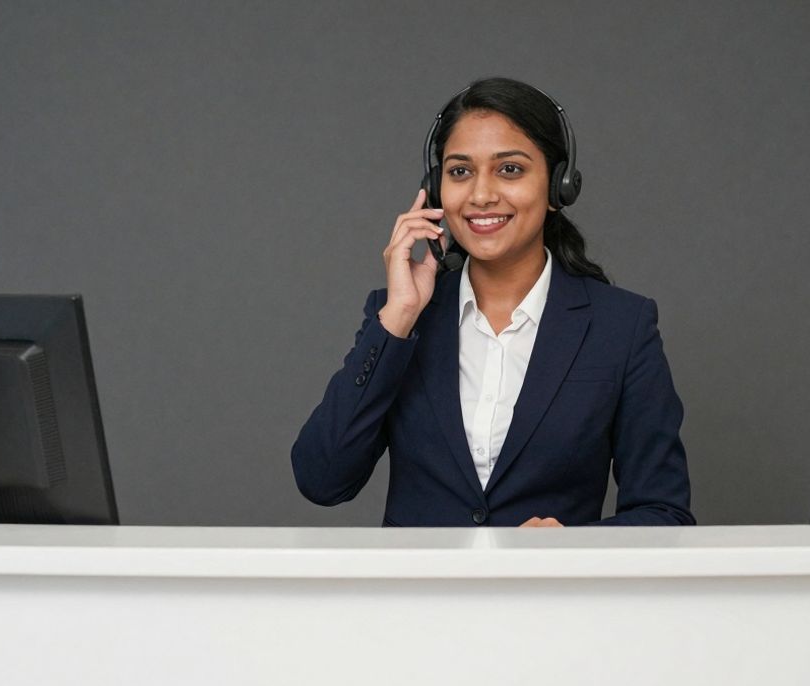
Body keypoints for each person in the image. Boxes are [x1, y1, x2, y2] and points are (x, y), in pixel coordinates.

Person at [292, 77, 693, 527]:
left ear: (560, 187)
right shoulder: (399, 318)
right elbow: (321, 480)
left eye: (510, 170)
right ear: (437, 186)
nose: (481, 195)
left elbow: (665, 514)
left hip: (546, 597)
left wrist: (575, 546)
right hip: (417, 597)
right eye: (460, 171)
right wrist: (399, 318)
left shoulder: (622, 326)